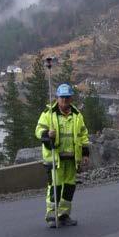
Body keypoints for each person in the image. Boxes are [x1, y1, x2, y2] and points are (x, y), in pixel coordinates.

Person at [35, 83, 90, 227]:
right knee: (55, 187)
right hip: (55, 159)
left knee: (69, 187)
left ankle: (64, 215)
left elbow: (83, 134)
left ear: (71, 98)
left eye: (67, 97)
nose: (64, 100)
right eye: (62, 98)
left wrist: (85, 153)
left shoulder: (77, 115)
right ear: (57, 98)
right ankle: (52, 216)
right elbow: (38, 130)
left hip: (72, 159)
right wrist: (47, 134)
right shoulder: (49, 114)